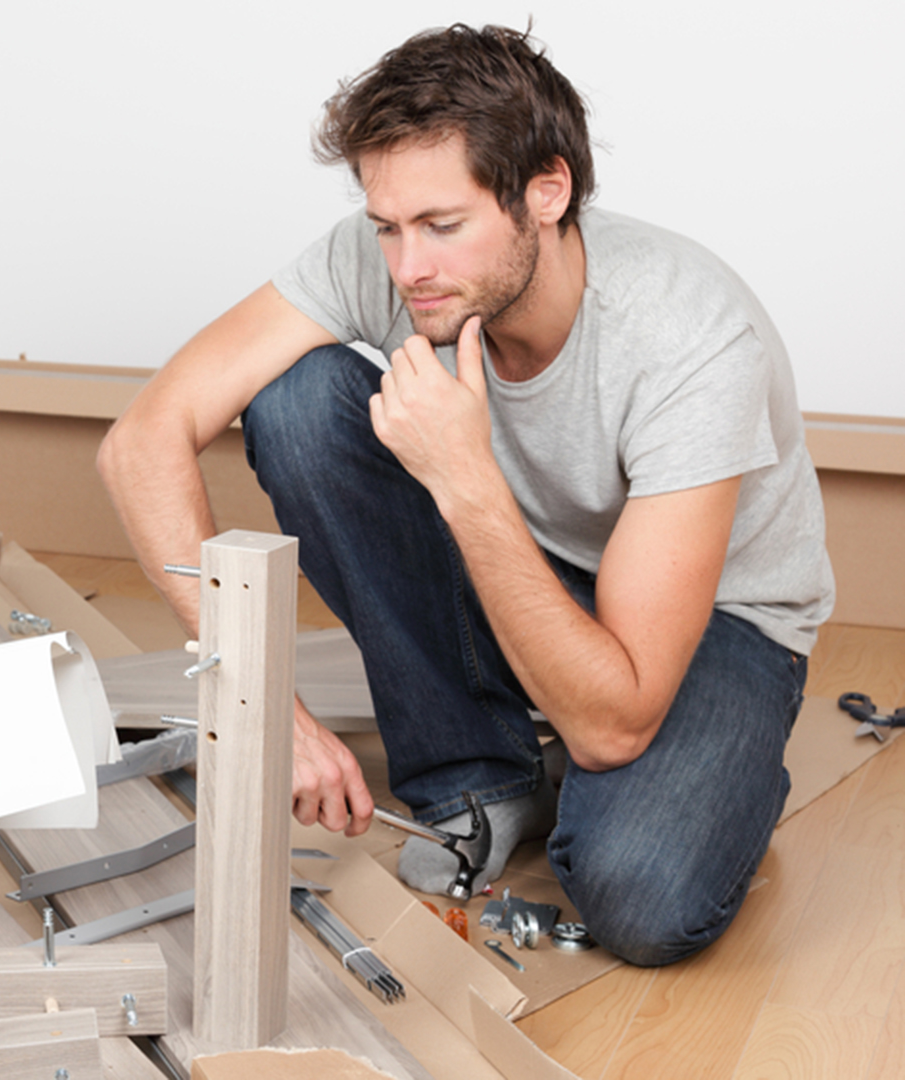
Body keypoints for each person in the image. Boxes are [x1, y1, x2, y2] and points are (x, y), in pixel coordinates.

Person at [97, 24, 831, 966]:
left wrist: (467, 475)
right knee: (299, 405)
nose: (409, 269)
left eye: (443, 226)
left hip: (717, 623)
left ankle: (722, 768)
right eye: (387, 228)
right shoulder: (400, 261)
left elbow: (613, 722)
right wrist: (250, 696)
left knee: (643, 896)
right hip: (524, 566)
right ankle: (482, 773)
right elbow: (141, 438)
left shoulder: (692, 339)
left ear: (547, 193)